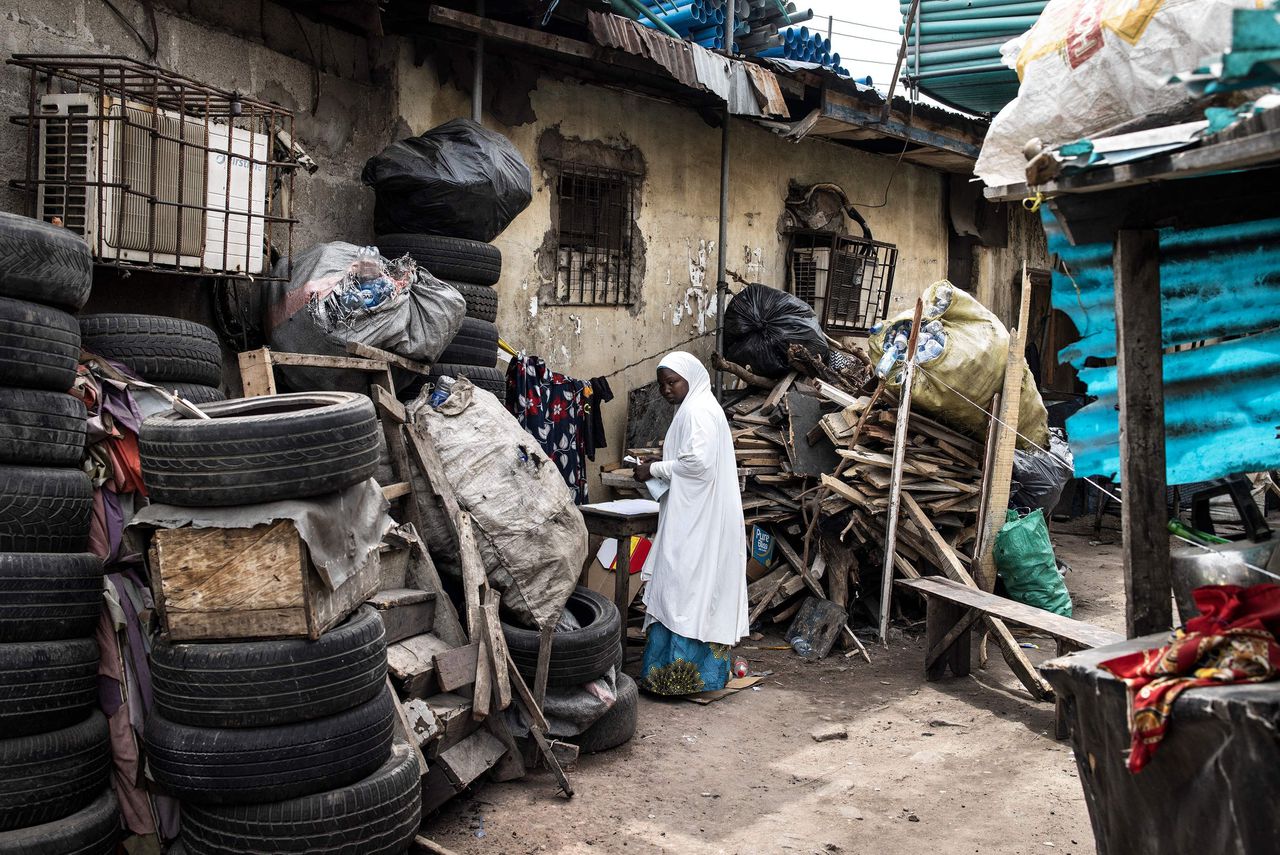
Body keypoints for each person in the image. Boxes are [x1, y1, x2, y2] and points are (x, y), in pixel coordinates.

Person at [632, 351, 748, 695]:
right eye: (662, 384)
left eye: (673, 382)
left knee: (686, 591)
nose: (667, 390)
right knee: (686, 591)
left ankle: (679, 681)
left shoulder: (698, 410)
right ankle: (680, 678)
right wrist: (659, 464)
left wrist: (654, 469)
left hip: (699, 523)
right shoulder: (694, 409)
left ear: (691, 379)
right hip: (694, 516)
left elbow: (698, 464)